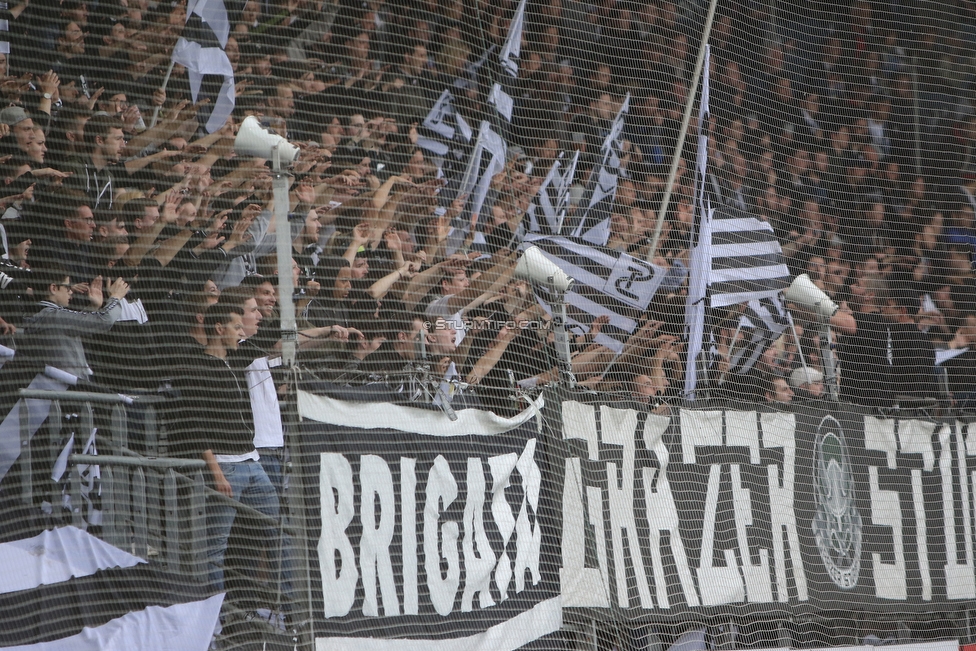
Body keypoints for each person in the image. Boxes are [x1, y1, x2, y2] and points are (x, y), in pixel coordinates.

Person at [172, 302, 284, 593]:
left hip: (252, 461)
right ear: (219, 329)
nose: (240, 333)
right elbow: (194, 426)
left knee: (279, 533)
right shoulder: (194, 367)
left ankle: (286, 609)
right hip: (226, 467)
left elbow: (276, 347)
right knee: (215, 548)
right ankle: (215, 619)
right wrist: (217, 473)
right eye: (236, 327)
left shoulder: (235, 359)